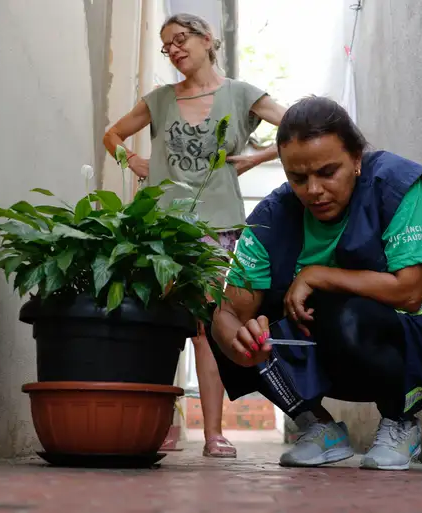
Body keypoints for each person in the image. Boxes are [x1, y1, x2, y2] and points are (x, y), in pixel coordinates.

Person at [209, 96, 422, 470]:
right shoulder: (271, 218)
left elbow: (411, 292)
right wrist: (237, 341)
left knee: (345, 313)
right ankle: (318, 427)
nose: (313, 190)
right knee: (218, 316)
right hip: (334, 358)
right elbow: (230, 312)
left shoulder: (396, 186)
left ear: (357, 159)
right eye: (298, 178)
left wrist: (318, 275)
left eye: (327, 172)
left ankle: (399, 422)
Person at [103, 13, 286, 458]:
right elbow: (112, 135)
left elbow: (299, 125)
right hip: (160, 226)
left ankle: (213, 434)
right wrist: (132, 161)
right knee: (158, 319)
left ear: (207, 39)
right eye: (167, 46)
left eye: (181, 39)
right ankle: (159, 423)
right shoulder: (159, 99)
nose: (174, 50)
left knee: (205, 324)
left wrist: (258, 157)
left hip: (216, 224)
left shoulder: (241, 94)